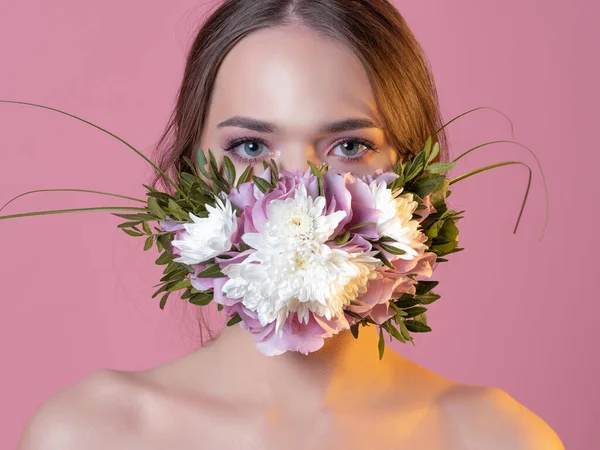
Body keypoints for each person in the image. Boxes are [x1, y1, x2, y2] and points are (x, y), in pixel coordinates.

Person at [18, 1, 564, 448]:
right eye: (251, 146)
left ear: (415, 176)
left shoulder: (498, 438)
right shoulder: (89, 435)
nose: (299, 192)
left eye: (349, 146)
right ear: (190, 175)